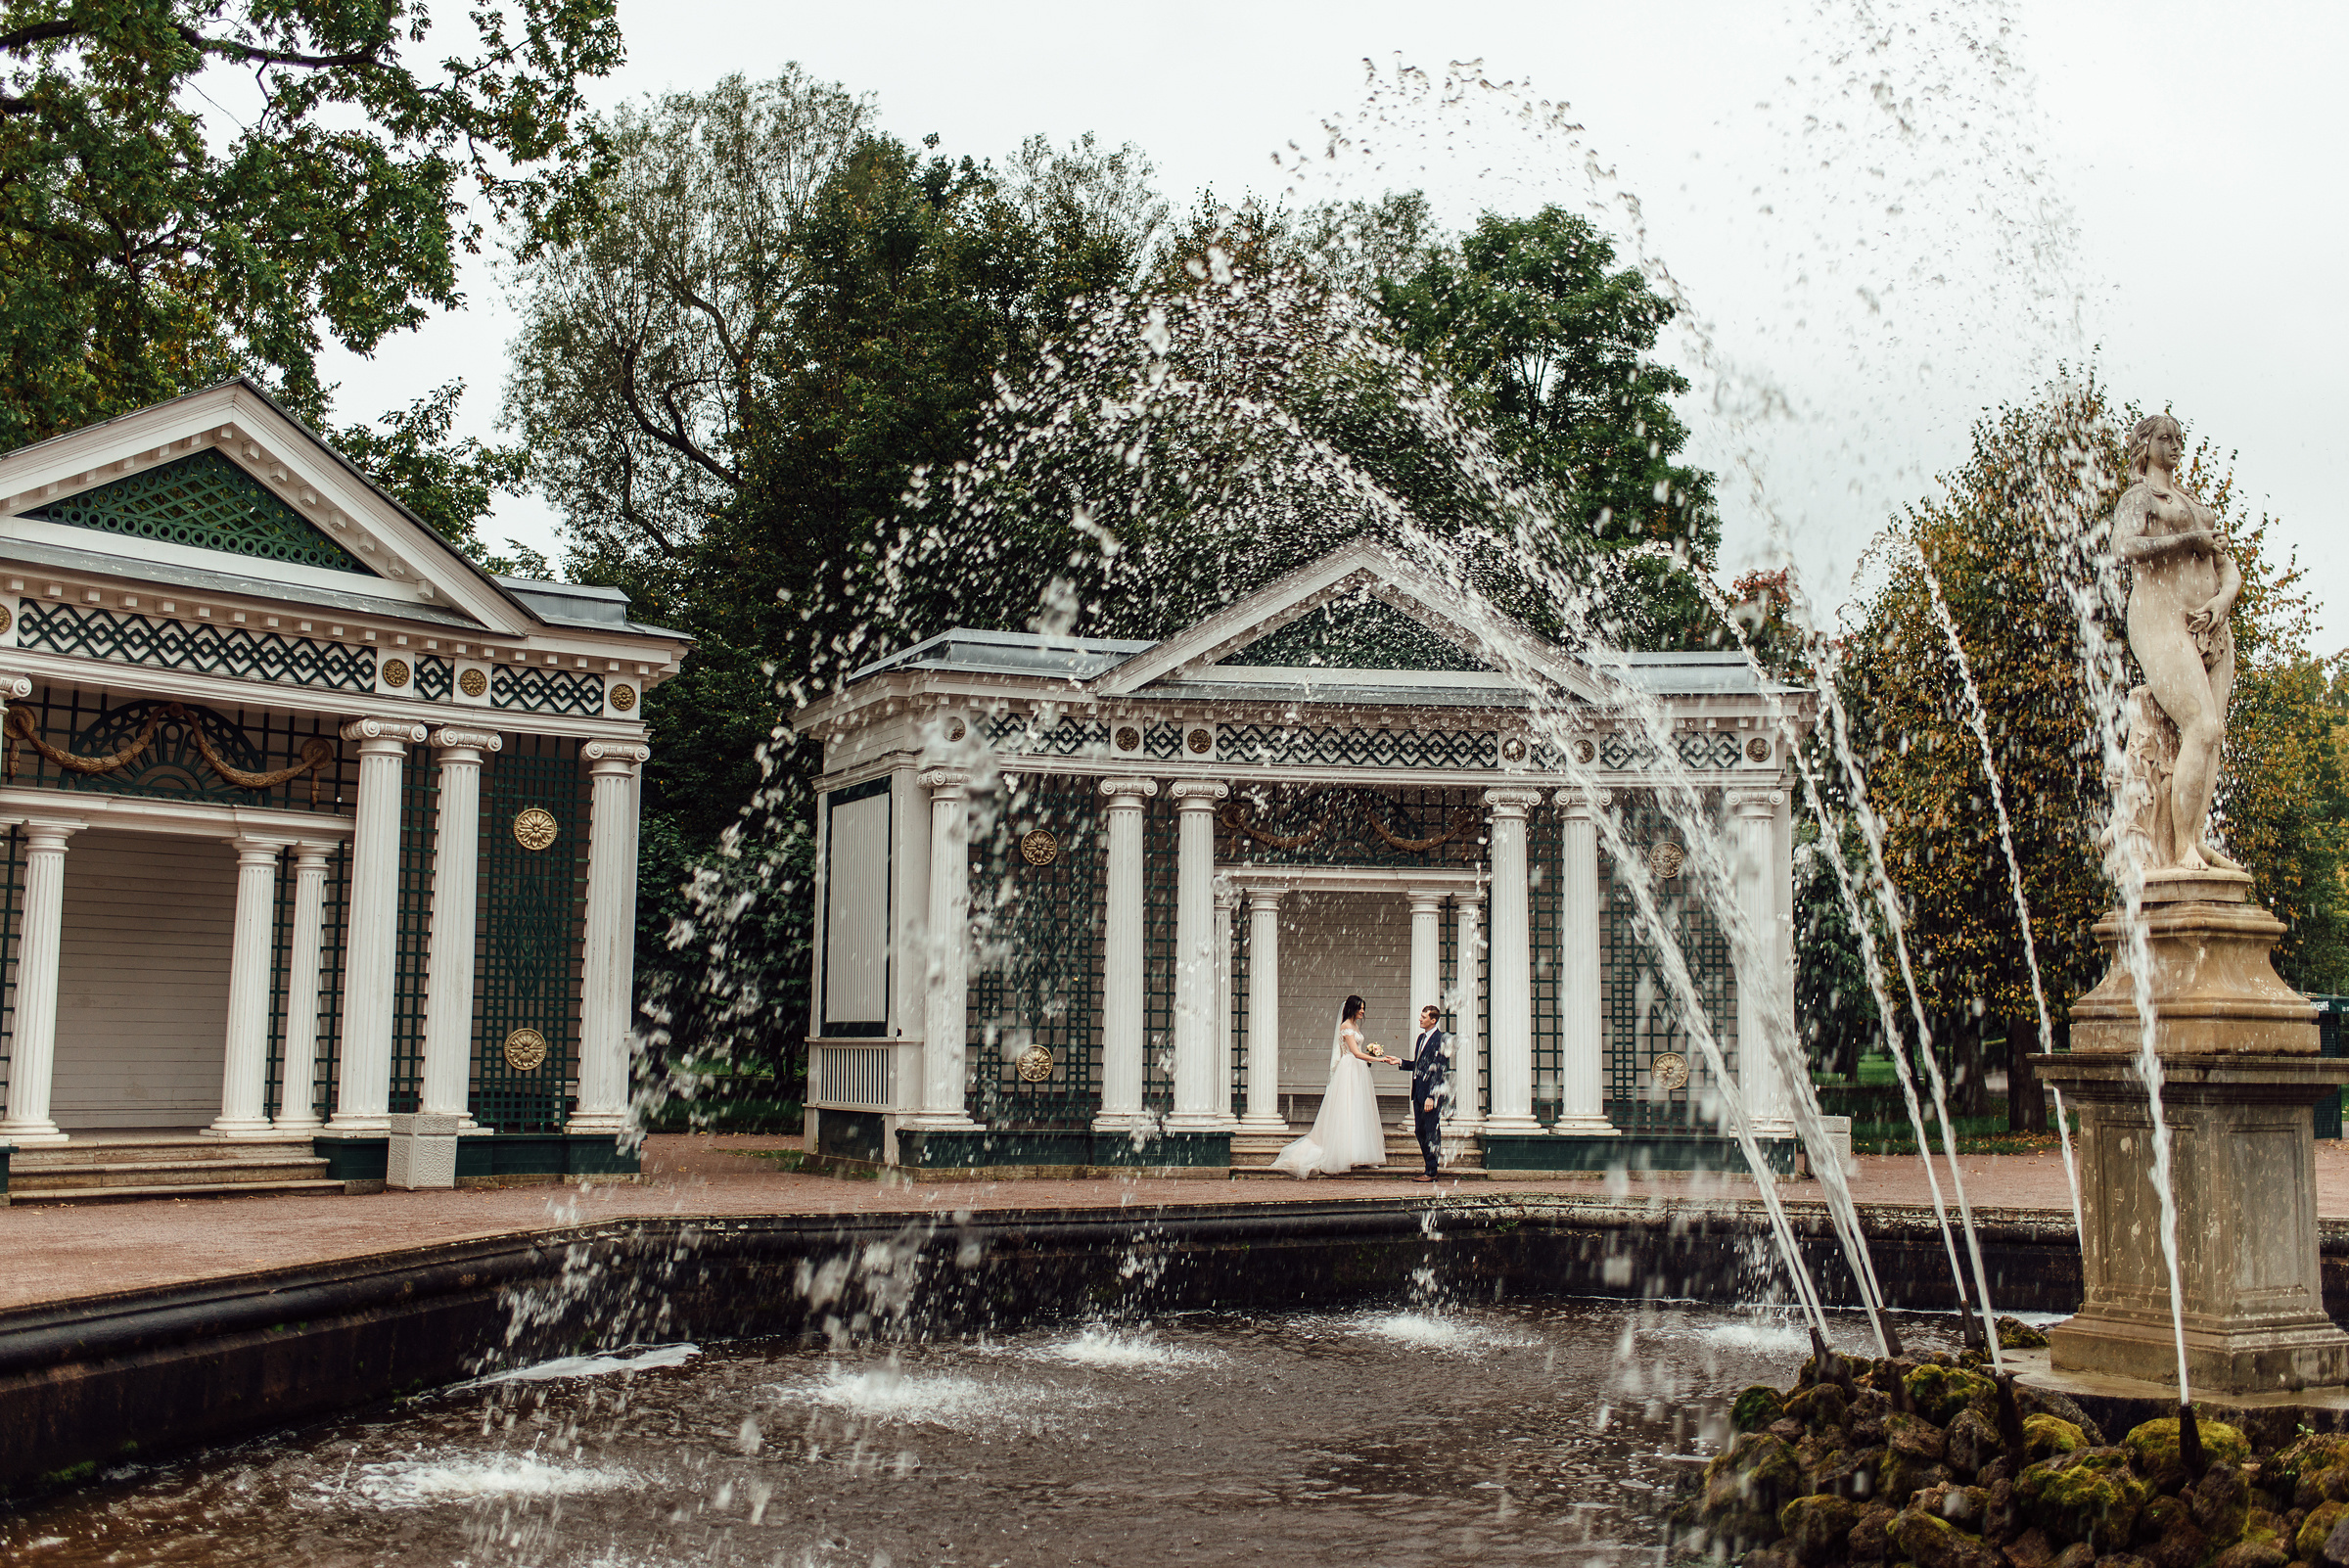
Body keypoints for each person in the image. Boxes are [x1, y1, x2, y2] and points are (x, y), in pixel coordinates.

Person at [2110, 411, 2242, 874]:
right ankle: (2183, 845)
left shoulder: (2193, 503)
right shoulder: (2140, 497)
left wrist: (2224, 600)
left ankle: (2196, 837)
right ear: (2145, 446)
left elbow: (2227, 567)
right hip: (2161, 620)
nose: (2175, 445)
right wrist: (2190, 540)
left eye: (2179, 438)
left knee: (2214, 735)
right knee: (2202, 727)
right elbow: (2124, 547)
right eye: (2165, 438)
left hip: (2211, 628)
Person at [1269, 995, 1395, 1177]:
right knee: (1346, 1109)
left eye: (1363, 1008)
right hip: (1349, 1068)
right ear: (1352, 1008)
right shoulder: (1345, 1027)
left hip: (1358, 1070)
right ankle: (1344, 1154)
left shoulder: (1355, 1027)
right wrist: (1378, 1058)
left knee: (1359, 1110)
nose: (1363, 1011)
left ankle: (1360, 1154)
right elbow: (1355, 1052)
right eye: (1360, 1008)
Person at [1402, 1003, 1449, 1183]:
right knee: (1420, 1131)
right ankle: (1429, 1168)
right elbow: (1419, 1065)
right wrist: (1400, 1062)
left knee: (1431, 1131)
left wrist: (1432, 1096)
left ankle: (1432, 1171)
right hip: (1419, 1092)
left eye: (1423, 1017)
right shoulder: (1421, 1038)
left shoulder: (1442, 1039)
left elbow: (1439, 1069)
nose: (1420, 1019)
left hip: (1431, 1094)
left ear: (1433, 1020)